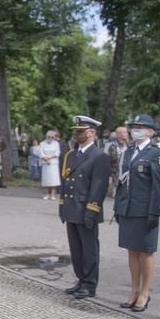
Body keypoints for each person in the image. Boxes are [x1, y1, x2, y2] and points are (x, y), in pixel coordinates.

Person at [113, 114, 160, 312]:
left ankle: (145, 292)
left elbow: (159, 185)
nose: (136, 130)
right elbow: (122, 180)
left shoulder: (157, 152)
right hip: (128, 207)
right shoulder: (129, 151)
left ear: (151, 131)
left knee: (146, 252)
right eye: (134, 126)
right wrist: (117, 206)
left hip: (145, 210)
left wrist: (155, 212)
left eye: (141, 127)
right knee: (132, 250)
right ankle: (134, 290)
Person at [59, 115, 111, 299]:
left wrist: (92, 210)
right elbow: (66, 182)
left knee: (89, 248)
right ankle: (81, 279)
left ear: (91, 133)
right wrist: (62, 204)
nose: (76, 135)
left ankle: (90, 284)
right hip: (72, 207)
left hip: (86, 207)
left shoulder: (99, 156)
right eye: (76, 132)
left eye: (80, 132)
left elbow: (99, 187)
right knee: (76, 248)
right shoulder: (71, 155)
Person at [106, 126, 128, 198]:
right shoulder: (110, 145)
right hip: (114, 174)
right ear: (118, 134)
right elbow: (106, 161)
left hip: (126, 174)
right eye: (124, 132)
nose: (127, 134)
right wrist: (108, 175)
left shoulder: (130, 145)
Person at [39, 131, 61, 200]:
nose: (50, 138)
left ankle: (53, 194)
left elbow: (57, 152)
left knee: (53, 179)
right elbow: (40, 152)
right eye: (49, 137)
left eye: (52, 137)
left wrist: (50, 157)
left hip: (53, 163)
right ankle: (46, 194)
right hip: (45, 162)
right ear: (46, 137)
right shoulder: (42, 143)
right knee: (46, 179)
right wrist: (45, 157)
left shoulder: (56, 143)